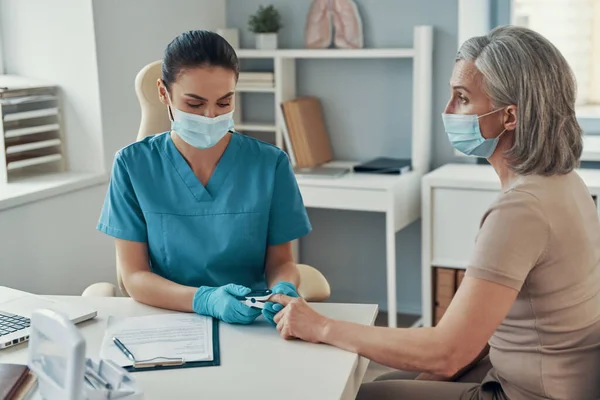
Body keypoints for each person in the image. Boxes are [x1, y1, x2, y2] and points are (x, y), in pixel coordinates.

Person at [269, 25, 600, 400]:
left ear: (509, 116)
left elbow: (447, 352)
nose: (447, 111)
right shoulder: (565, 181)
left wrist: (321, 326)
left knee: (356, 394)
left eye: (462, 98)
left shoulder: (521, 210)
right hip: (547, 376)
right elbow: (479, 337)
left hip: (527, 392)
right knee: (381, 385)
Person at [97, 30, 311, 326]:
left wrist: (282, 289)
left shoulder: (270, 164)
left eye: (224, 103)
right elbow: (134, 277)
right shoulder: (132, 166)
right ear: (163, 93)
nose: (211, 116)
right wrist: (204, 300)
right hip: (168, 319)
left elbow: (281, 261)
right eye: (194, 105)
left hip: (251, 319)